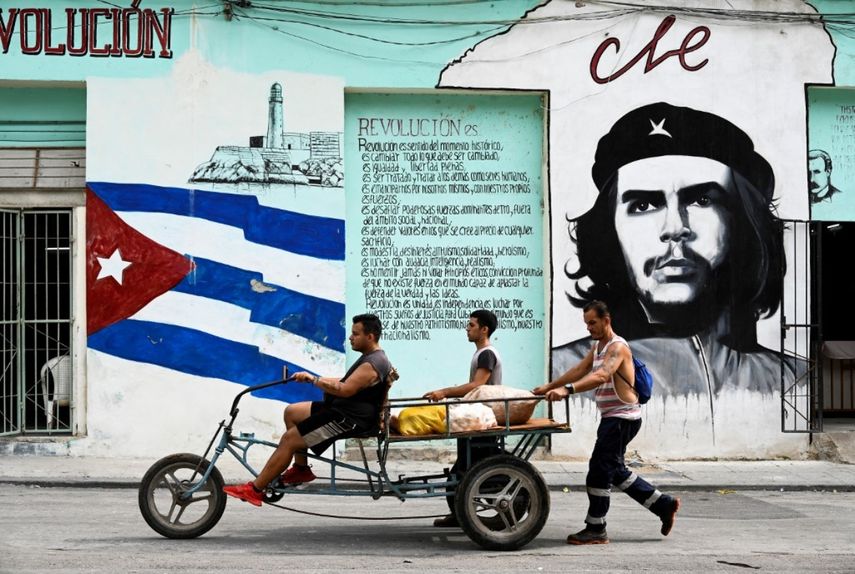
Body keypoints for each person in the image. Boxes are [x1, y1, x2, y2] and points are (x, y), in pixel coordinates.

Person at [553, 101, 797, 406]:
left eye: (702, 200)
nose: (674, 228)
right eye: (643, 205)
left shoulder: (792, 382)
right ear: (608, 232)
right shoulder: (562, 373)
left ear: (745, 222)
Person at [536, 300, 680, 545]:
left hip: (622, 419)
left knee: (599, 472)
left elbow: (601, 375)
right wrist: (551, 386)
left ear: (606, 320)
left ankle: (596, 527)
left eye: (592, 323)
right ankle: (663, 505)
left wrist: (568, 391)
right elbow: (581, 369)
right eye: (586, 323)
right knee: (615, 471)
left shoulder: (617, 347)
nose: (589, 328)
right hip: (612, 419)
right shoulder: (599, 347)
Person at [223, 313, 393, 506]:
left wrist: (314, 381)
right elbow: (346, 382)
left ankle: (255, 490)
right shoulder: (370, 357)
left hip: (349, 418)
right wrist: (313, 377)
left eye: (355, 334)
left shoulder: (373, 363)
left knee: (289, 440)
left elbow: (345, 390)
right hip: (344, 409)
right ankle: (301, 469)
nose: (350, 337)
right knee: (292, 412)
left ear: (370, 337)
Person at [423, 309, 503, 528]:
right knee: (462, 468)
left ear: (484, 329)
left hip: (481, 419)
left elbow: (478, 385)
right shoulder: (481, 354)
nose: (467, 328)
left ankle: (460, 513)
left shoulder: (487, 353)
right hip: (476, 417)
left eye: (471, 325)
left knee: (465, 470)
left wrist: (445, 392)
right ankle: (459, 513)